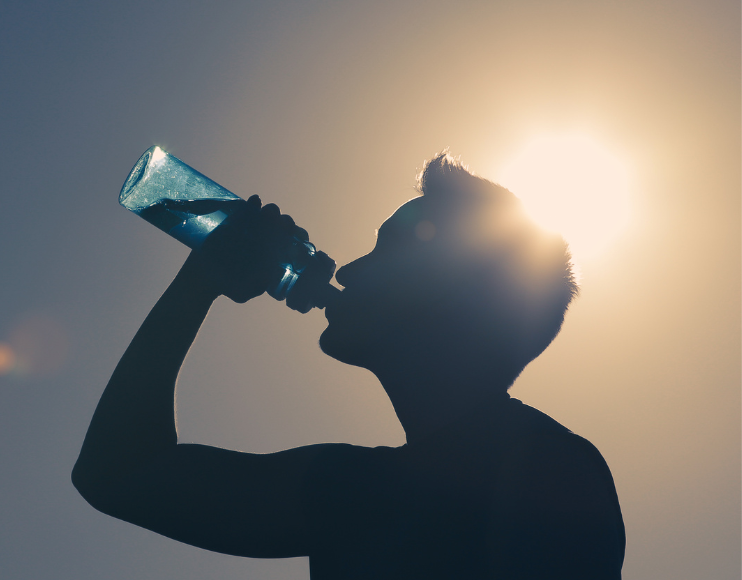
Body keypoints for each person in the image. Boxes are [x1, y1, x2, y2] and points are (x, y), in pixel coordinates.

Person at [72, 153, 625, 579]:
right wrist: (198, 283)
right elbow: (117, 476)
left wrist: (197, 288)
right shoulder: (355, 488)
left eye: (388, 250)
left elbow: (118, 474)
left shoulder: (547, 474)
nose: (351, 269)